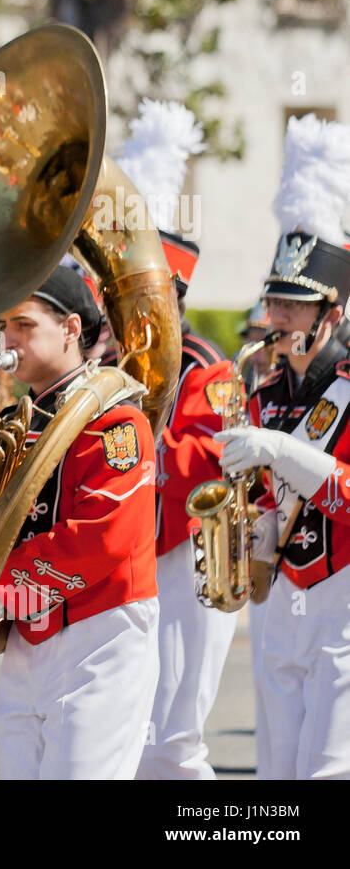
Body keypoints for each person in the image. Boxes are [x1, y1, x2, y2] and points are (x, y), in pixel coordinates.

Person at [0, 266, 160, 779]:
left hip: (99, 634)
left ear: (70, 329)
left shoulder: (115, 422)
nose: (8, 339)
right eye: (5, 326)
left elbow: (105, 536)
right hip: (28, 638)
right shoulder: (17, 422)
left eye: (24, 324)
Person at [103, 100, 238, 780]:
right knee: (126, 740)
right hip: (125, 564)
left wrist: (124, 463)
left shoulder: (205, 365)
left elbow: (205, 460)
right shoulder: (108, 364)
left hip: (185, 561)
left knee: (173, 745)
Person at [213, 113, 350, 779]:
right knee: (276, 775)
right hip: (278, 601)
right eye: (275, 303)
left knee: (326, 773)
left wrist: (276, 450)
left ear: (333, 312)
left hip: (343, 601)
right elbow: (271, 501)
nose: (278, 318)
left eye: (295, 306)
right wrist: (251, 535)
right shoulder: (265, 394)